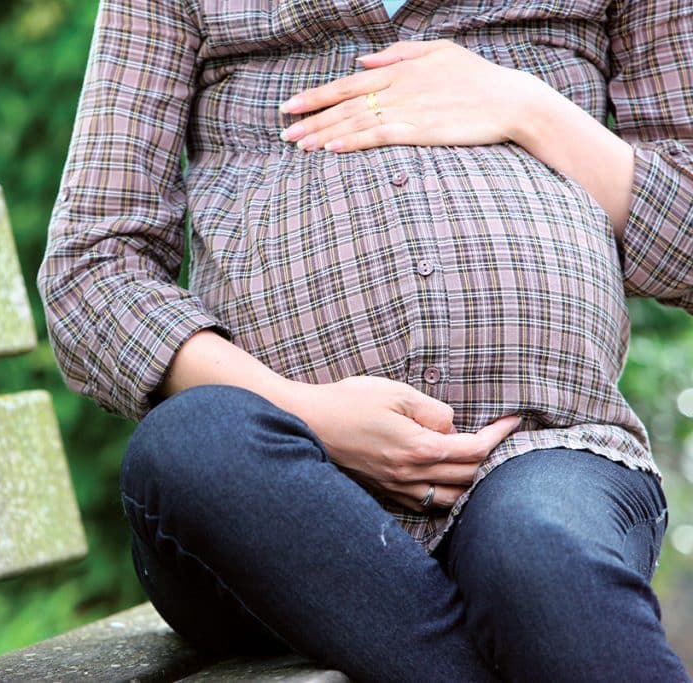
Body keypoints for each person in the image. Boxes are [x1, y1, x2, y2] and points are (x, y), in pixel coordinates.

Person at [39, 0, 693, 680]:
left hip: (546, 450)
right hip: (279, 506)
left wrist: (527, 107)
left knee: (543, 554)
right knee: (189, 442)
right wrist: (305, 414)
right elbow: (92, 270)